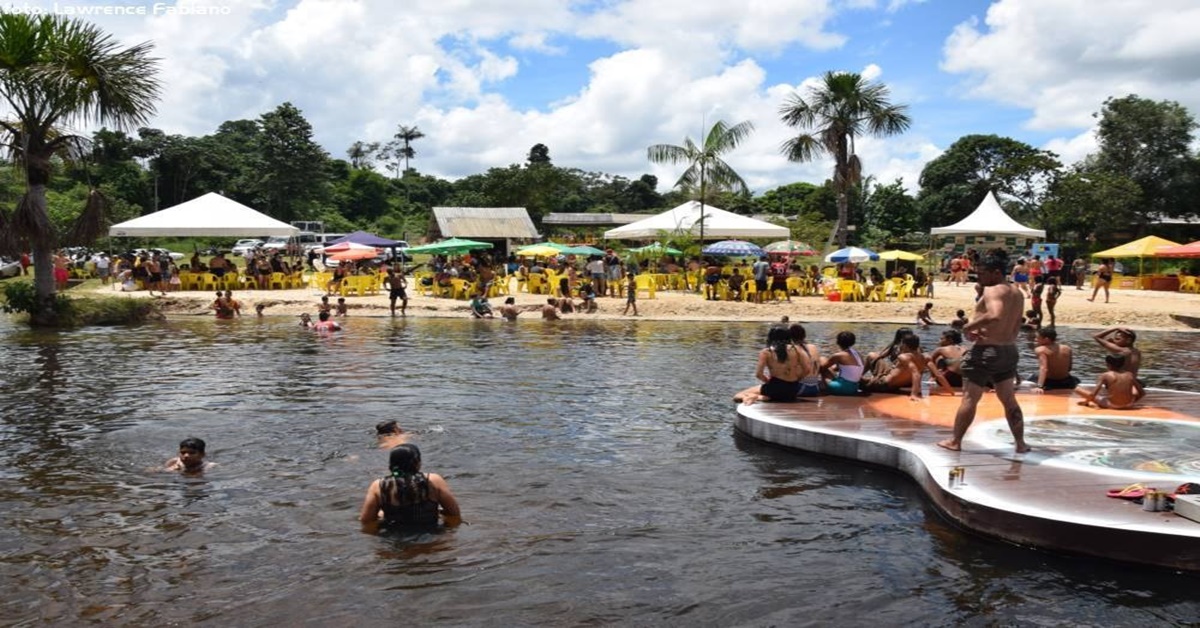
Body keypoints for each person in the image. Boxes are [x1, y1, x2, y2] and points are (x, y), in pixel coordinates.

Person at [938, 249, 1029, 453]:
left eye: (981, 273)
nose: (978, 277)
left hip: (987, 352)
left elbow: (995, 314)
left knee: (970, 398)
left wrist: (967, 328)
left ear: (995, 272)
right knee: (1008, 399)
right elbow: (1011, 323)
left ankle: (955, 441)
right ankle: (1020, 443)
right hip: (1008, 350)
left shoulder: (993, 290)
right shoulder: (1016, 292)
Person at [358, 444, 461, 529]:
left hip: (394, 540)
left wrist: (383, 514)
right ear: (418, 462)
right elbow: (454, 513)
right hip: (430, 534)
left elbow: (366, 520)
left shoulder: (378, 485)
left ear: (391, 464)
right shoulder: (433, 480)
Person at [734, 326, 805, 406]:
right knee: (776, 393)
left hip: (775, 388)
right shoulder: (797, 350)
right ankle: (762, 397)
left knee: (737, 396)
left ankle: (755, 397)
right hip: (793, 389)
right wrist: (797, 379)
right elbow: (807, 369)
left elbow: (759, 374)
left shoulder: (767, 352)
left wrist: (768, 381)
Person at [861, 335, 927, 401]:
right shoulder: (925, 357)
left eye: (901, 343)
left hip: (883, 384)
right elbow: (937, 374)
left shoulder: (903, 357)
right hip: (888, 378)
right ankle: (861, 375)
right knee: (872, 355)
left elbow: (916, 374)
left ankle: (861, 377)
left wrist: (914, 394)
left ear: (904, 345)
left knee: (857, 381)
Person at [1076, 355, 1143, 409]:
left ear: (1108, 364)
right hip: (1129, 404)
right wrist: (1132, 402)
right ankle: (1127, 402)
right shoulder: (1130, 374)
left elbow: (1093, 394)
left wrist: (1086, 402)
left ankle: (1112, 402)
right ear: (1123, 364)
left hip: (1112, 405)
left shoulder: (1105, 375)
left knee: (1078, 389)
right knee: (1133, 387)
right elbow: (1142, 393)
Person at [1029, 327, 1080, 392]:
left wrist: (1039, 386)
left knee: (1032, 376)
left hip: (1050, 383)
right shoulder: (1067, 348)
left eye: (1037, 338)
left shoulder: (1041, 349)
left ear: (1046, 339)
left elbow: (1043, 369)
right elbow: (1069, 368)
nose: (1035, 339)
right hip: (1067, 382)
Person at [821, 331, 865, 396]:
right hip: (855, 388)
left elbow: (822, 368)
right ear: (853, 342)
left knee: (822, 359)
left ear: (838, 342)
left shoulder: (838, 355)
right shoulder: (858, 354)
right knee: (829, 368)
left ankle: (818, 385)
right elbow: (847, 369)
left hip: (842, 389)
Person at [925, 329, 966, 394]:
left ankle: (932, 378)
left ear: (950, 340)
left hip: (949, 379)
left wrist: (932, 375)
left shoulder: (941, 349)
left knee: (939, 358)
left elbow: (929, 361)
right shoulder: (965, 348)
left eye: (941, 339)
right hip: (964, 380)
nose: (939, 341)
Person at [788, 324, 822, 397]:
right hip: (815, 387)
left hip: (801, 388)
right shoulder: (813, 347)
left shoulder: (793, 349)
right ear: (804, 335)